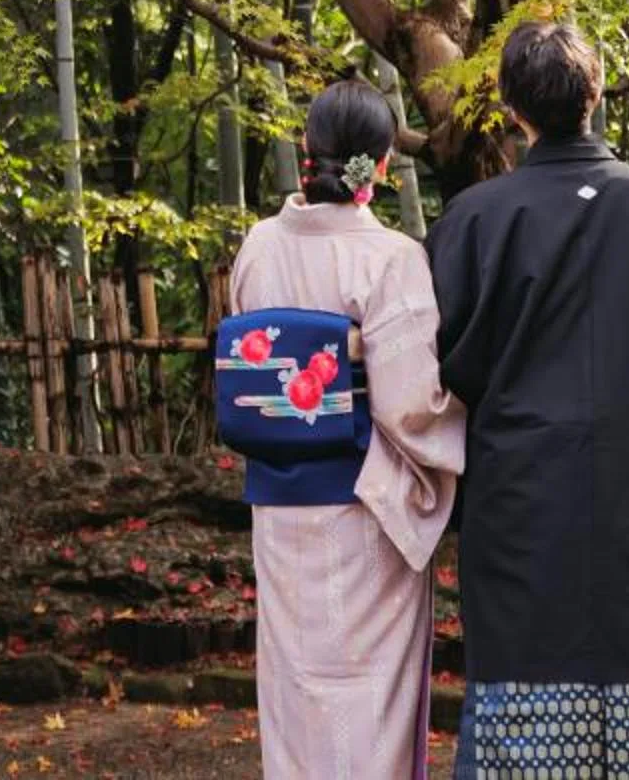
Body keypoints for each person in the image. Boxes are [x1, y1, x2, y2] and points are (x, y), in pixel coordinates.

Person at [427, 19, 629, 780]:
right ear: (594, 97)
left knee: (521, 706)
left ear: (511, 108)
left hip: (517, 506)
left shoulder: (473, 219)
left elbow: (435, 376)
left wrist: (448, 503)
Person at [230, 76, 465, 780]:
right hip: (363, 508)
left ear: (308, 149)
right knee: (370, 697)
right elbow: (412, 408)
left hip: (279, 509)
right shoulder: (390, 258)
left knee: (297, 691)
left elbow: (252, 367)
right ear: (384, 164)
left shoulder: (259, 246)